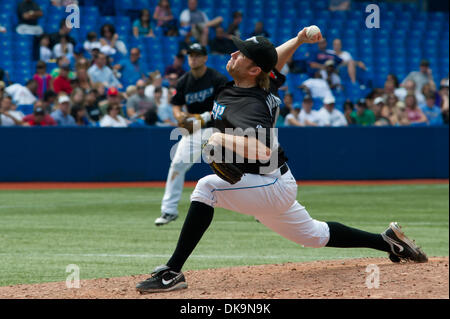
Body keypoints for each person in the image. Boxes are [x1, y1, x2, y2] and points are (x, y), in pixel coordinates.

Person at [135, 29, 427, 294]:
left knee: (206, 188)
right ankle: (387, 241)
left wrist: (218, 140)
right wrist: (298, 40)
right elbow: (275, 61)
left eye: (240, 53)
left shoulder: (248, 102)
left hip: (269, 184)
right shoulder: (259, 82)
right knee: (314, 235)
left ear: (252, 68)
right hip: (271, 183)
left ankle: (172, 272)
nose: (232, 54)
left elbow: (261, 150)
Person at [154, 43, 228, 226]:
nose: (193, 58)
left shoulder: (216, 79)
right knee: (178, 164)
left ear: (205, 58)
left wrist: (202, 117)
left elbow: (226, 104)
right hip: (195, 131)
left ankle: (258, 209)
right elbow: (176, 104)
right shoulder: (184, 81)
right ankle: (169, 210)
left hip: (216, 129)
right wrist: (179, 116)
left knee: (231, 170)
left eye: (197, 55)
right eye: (190, 55)